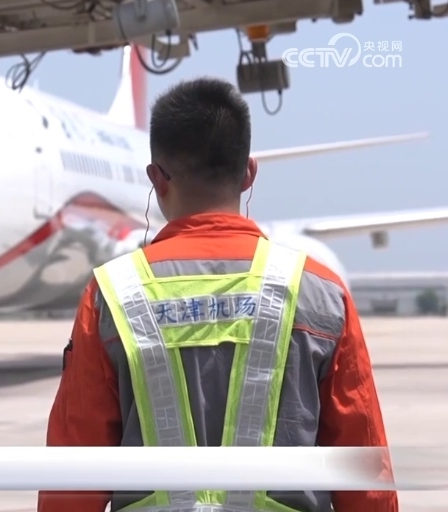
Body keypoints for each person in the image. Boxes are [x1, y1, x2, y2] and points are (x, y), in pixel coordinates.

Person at [37, 77, 398, 512]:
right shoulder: (320, 292)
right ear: (249, 173)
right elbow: (364, 469)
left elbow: (75, 469)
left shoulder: (110, 295)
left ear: (156, 178)